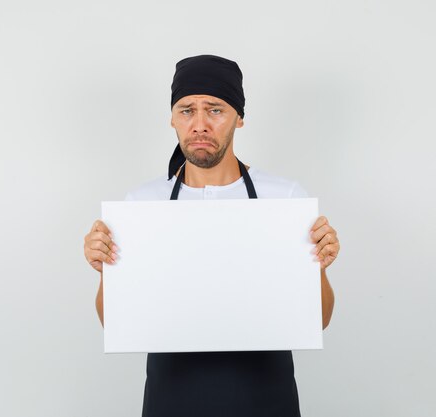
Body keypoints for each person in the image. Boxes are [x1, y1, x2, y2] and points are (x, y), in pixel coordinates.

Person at [83, 55, 340, 417]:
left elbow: (319, 319)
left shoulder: (285, 199)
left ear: (239, 117)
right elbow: (115, 321)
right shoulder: (141, 205)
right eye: (187, 110)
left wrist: (320, 266)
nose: (199, 124)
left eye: (215, 110)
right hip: (172, 398)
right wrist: (105, 268)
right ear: (172, 118)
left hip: (265, 399)